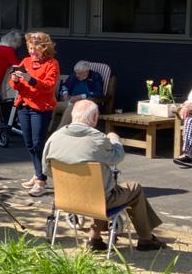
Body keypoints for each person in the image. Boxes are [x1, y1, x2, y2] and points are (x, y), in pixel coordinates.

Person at [42, 100, 165, 252]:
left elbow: (47, 170)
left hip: (65, 199)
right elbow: (117, 158)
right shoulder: (98, 139)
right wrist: (114, 139)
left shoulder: (55, 137)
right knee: (133, 188)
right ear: (94, 117)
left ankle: (95, 238)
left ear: (73, 115)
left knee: (97, 187)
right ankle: (146, 239)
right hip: (98, 201)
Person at [9, 31, 60, 197]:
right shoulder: (25, 61)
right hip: (24, 106)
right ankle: (38, 173)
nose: (31, 52)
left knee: (38, 143)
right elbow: (16, 85)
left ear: (44, 48)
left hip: (41, 108)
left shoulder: (52, 64)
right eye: (30, 48)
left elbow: (48, 87)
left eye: (35, 49)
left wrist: (29, 79)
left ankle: (41, 179)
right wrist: (15, 80)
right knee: (29, 143)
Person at [55, 61, 105, 129]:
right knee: (52, 106)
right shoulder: (74, 75)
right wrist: (65, 93)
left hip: (85, 105)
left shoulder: (95, 77)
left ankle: (60, 132)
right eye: (76, 73)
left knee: (71, 109)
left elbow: (99, 94)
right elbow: (65, 85)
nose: (77, 75)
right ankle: (44, 130)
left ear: (86, 71)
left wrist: (81, 96)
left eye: (79, 73)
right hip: (70, 101)